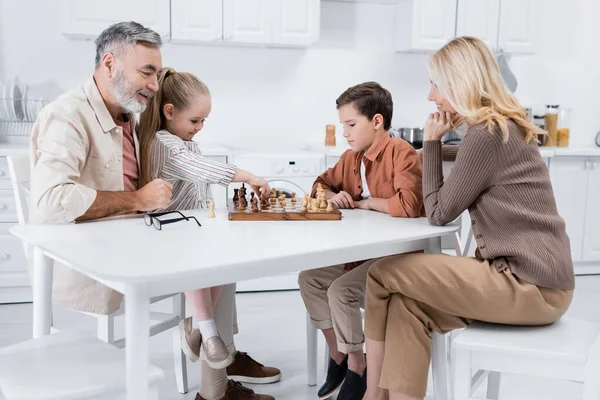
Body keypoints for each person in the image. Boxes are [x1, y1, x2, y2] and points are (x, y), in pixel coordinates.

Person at [363, 36, 575, 400]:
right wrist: (426, 149)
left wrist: (430, 144)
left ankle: (371, 394)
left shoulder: (487, 136)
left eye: (436, 85)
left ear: (459, 83)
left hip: (529, 286)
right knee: (406, 306)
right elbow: (462, 160)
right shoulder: (502, 126)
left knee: (381, 273)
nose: (431, 96)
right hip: (539, 283)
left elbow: (440, 212)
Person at [138, 67, 279, 400]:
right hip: (165, 236)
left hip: (185, 229)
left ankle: (205, 336)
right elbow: (202, 171)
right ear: (169, 113)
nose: (199, 129)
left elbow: (197, 189)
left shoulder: (182, 141)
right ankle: (208, 331)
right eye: (195, 121)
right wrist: (248, 176)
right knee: (208, 255)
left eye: (204, 122)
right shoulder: (163, 143)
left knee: (223, 254)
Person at [30, 21, 170, 314]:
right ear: (110, 64)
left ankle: (217, 348)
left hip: (133, 244)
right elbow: (52, 200)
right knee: (208, 270)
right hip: (93, 261)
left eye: (156, 74)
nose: (155, 85)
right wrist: (138, 200)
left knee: (220, 264)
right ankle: (210, 343)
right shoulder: (67, 115)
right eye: (147, 72)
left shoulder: (127, 112)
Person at [297, 82, 424, 400]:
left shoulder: (401, 154)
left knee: (341, 291)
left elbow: (408, 206)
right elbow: (319, 184)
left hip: (398, 261)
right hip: (363, 256)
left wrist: (367, 203)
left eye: (351, 125)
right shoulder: (351, 157)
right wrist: (331, 194)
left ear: (377, 122)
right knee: (309, 278)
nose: (346, 133)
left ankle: (358, 365)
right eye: (343, 126)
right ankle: (340, 355)